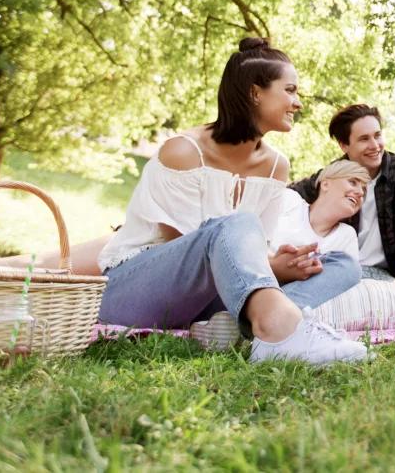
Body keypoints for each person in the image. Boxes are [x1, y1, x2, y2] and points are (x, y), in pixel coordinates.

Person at [96, 38, 368, 365]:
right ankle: (278, 328)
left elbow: (254, 248)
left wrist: (280, 262)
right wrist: (270, 267)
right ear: (256, 93)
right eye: (290, 90)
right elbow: (188, 251)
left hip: (214, 297)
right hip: (135, 290)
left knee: (342, 263)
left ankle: (241, 327)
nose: (297, 103)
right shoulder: (183, 152)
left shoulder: (275, 166)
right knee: (237, 222)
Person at [290, 104, 395, 282]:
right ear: (344, 145)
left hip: (380, 275)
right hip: (333, 269)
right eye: (364, 139)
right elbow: (289, 194)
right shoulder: (334, 175)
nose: (375, 146)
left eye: (377, 135)